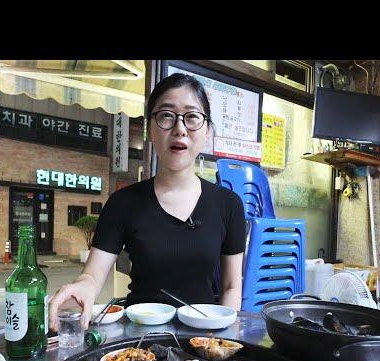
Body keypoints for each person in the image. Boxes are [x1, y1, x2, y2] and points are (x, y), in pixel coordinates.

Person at [48, 73, 246, 330]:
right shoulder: (123, 203)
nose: (179, 128)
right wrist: (82, 286)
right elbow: (92, 275)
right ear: (149, 129)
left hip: (203, 334)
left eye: (192, 117)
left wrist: (220, 337)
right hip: (136, 337)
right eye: (166, 115)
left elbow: (232, 286)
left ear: (207, 130)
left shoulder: (228, 205)